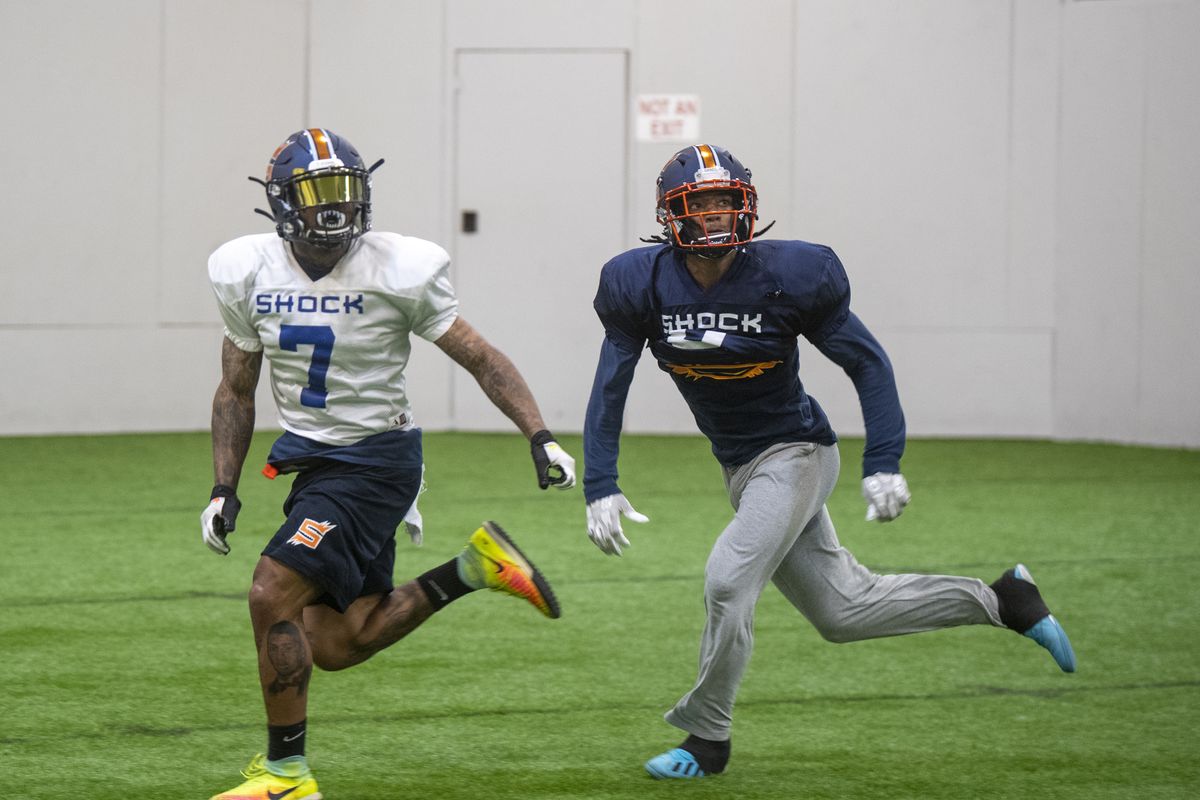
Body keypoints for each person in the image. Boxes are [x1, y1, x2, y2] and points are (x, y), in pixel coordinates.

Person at [581, 144, 1076, 780]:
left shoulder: (793, 273)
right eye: (698, 204)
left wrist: (885, 460)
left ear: (747, 207)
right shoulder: (638, 281)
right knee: (844, 612)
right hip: (741, 466)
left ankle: (708, 739)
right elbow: (610, 384)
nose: (712, 216)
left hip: (796, 453)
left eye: (724, 202)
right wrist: (600, 483)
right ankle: (1001, 600)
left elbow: (866, 361)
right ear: (672, 214)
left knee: (728, 579)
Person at [199, 128, 576, 799]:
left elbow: (482, 358)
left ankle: (286, 775)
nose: (333, 208)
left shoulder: (399, 266)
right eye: (316, 193)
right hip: (316, 465)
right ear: (283, 201)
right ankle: (472, 568)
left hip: (375, 463)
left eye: (343, 189)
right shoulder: (245, 269)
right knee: (340, 644)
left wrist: (539, 433)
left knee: (270, 591)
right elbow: (236, 388)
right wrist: (223, 485)